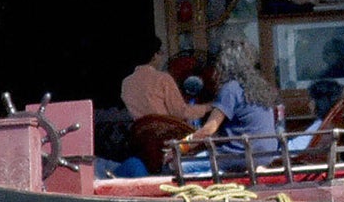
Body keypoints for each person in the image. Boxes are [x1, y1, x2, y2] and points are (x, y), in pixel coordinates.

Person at [179, 39, 305, 174]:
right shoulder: (260, 87)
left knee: (179, 167)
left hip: (238, 156)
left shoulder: (230, 88)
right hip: (265, 156)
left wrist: (181, 147)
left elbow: (208, 129)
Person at [112, 35, 209, 177]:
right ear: (154, 55)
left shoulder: (126, 83)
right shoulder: (163, 78)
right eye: (160, 53)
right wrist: (209, 107)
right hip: (169, 137)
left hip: (143, 141)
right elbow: (181, 112)